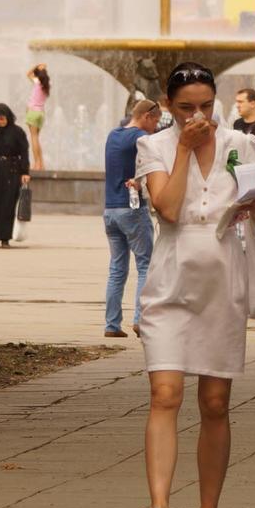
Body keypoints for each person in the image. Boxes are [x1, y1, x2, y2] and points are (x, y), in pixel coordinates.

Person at [134, 62, 255, 508]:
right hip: (172, 278)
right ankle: (159, 506)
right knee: (164, 393)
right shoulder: (154, 145)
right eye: (186, 107)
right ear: (168, 106)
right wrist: (186, 148)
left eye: (206, 106)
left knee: (214, 401)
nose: (198, 115)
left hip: (222, 277)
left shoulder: (241, 145)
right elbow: (166, 208)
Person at [104, 100, 160, 339]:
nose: (155, 128)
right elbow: (153, 168)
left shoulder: (113, 134)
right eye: (155, 121)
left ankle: (112, 325)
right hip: (132, 209)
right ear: (146, 116)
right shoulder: (141, 139)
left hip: (110, 210)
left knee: (117, 269)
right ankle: (140, 319)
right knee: (146, 265)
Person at [0, 103, 30, 248]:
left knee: (7, 203)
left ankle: (5, 237)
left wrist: (25, 172)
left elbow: (24, 152)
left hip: (12, 171)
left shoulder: (17, 132)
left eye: (2, 119)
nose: (0, 122)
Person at [25, 64, 50, 171]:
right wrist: (43, 69)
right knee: (37, 139)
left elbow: (28, 74)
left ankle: (36, 164)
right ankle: (42, 164)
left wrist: (37, 66)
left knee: (34, 138)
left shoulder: (37, 82)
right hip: (41, 113)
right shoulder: (47, 85)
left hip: (32, 112)